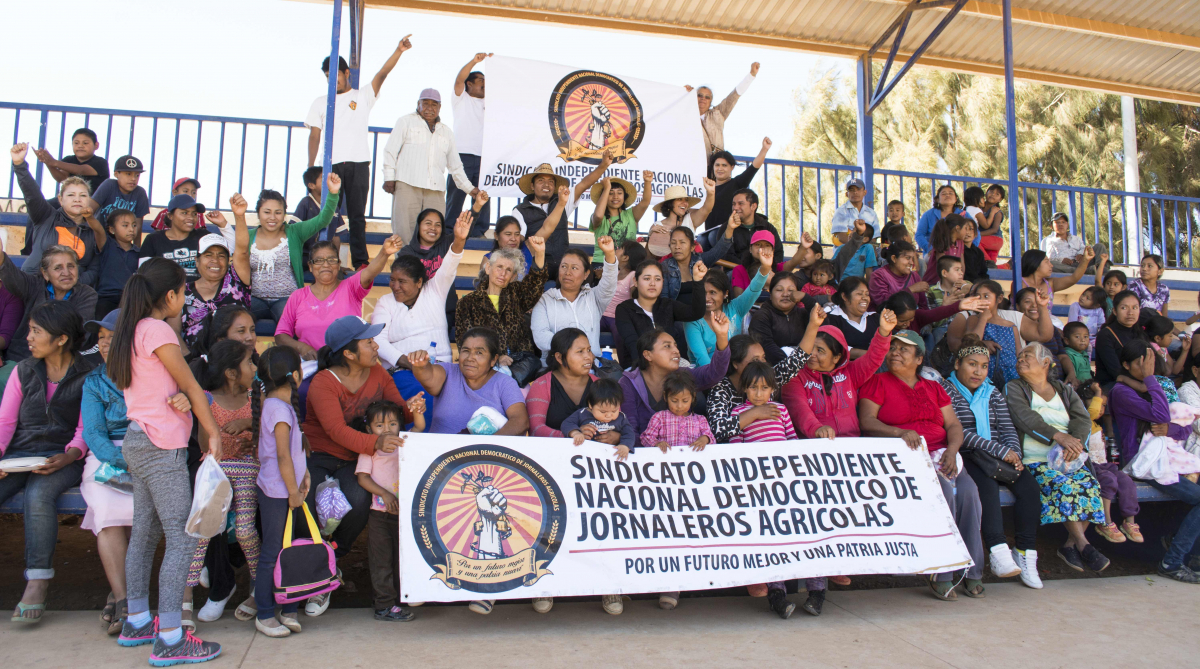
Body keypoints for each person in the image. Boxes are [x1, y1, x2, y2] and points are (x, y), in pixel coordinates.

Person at [109, 259, 223, 663]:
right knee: (183, 537)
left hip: (138, 441)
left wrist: (181, 400)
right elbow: (190, 383)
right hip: (160, 446)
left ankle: (138, 620)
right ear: (170, 296)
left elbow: (169, 386)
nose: (185, 297)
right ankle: (172, 636)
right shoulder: (158, 329)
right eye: (183, 291)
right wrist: (212, 430)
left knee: (145, 531)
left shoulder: (131, 329)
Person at [858, 329, 986, 600]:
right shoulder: (878, 382)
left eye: (904, 349)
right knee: (941, 494)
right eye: (893, 347)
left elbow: (953, 425)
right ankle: (941, 571)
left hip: (942, 454)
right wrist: (899, 433)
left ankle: (971, 570)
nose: (895, 352)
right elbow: (867, 421)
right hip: (903, 456)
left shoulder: (933, 387)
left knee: (969, 494)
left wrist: (952, 450)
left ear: (919, 359)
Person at [301, 315, 416, 616]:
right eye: (368, 342)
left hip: (356, 459)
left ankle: (333, 560)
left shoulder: (377, 371)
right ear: (349, 353)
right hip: (322, 456)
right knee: (308, 504)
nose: (376, 345)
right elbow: (335, 431)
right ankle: (314, 571)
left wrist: (411, 409)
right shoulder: (323, 383)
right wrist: (376, 443)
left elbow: (396, 409)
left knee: (359, 502)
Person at [0, 301, 95, 623]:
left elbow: (85, 429)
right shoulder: (23, 371)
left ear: (61, 338)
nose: (28, 337)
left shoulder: (88, 375)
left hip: (64, 456)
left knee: (38, 495)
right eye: (30, 330)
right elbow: (5, 424)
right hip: (19, 455)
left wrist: (69, 455)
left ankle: (37, 583)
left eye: (36, 331)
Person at [1007, 342, 1109, 580]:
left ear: (1045, 363)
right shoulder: (1015, 388)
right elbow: (1025, 418)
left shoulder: (1063, 390)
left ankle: (1069, 546)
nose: (1021, 359)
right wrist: (1057, 436)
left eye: (1027, 356)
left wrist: (1074, 443)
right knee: (1064, 486)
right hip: (1035, 459)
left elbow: (1082, 419)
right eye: (1019, 356)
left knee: (1090, 486)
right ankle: (1083, 544)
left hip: (1068, 457)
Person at [307, 37, 411, 268]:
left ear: (346, 73)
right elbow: (314, 135)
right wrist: (311, 167)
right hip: (332, 166)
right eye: (327, 77)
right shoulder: (320, 102)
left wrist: (398, 50)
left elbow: (382, 74)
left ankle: (361, 261)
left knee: (357, 217)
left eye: (335, 75)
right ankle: (323, 258)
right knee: (328, 215)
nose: (332, 80)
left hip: (359, 164)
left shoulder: (361, 96)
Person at [945, 335, 1039, 588]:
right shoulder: (947, 390)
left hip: (998, 455)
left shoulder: (993, 392)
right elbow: (961, 433)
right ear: (957, 365)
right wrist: (1000, 451)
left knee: (1030, 488)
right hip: (968, 454)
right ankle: (998, 551)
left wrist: (1015, 454)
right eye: (972, 364)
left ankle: (1026, 553)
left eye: (984, 366)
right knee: (985, 486)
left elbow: (1008, 427)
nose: (978, 371)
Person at [1108, 341, 1200, 582]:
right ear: (1126, 365)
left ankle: (1186, 549)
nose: (1147, 366)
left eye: (1149, 361)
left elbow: (1185, 429)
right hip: (1144, 464)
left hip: (1169, 458)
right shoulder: (1121, 392)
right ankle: (1172, 561)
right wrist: (1150, 380)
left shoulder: (1154, 387)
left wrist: (1169, 428)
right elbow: (1159, 414)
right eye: (1140, 362)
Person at [183, 340, 261, 625]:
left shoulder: (255, 396)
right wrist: (211, 425)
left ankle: (260, 585)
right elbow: (205, 446)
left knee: (244, 530)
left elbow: (267, 433)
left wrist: (249, 426)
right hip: (216, 470)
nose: (254, 368)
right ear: (231, 373)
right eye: (249, 363)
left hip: (249, 469)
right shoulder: (206, 399)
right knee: (202, 531)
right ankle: (185, 599)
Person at [373, 213, 469, 415]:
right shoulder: (385, 302)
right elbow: (378, 341)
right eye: (392, 280)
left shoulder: (434, 290)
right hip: (402, 372)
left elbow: (449, 265)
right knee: (418, 399)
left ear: (419, 283)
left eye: (402, 282)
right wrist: (408, 362)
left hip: (439, 368)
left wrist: (459, 240)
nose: (395, 286)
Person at [79, 309, 133, 634]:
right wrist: (118, 459)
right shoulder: (94, 382)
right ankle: (126, 600)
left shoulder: (148, 374)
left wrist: (137, 456)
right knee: (110, 511)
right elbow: (94, 432)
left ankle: (117, 594)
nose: (103, 345)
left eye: (111, 339)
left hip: (146, 452)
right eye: (100, 339)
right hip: (105, 458)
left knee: (140, 510)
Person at [249, 345, 309, 636]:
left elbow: (294, 452)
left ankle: (288, 608)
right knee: (273, 551)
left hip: (287, 489)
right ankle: (264, 613)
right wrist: (293, 493)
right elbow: (283, 456)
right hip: (278, 492)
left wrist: (305, 474)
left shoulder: (278, 405)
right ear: (296, 374)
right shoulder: (278, 409)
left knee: (289, 549)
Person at [275, 235, 402, 362]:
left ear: (339, 264)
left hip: (347, 365)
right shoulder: (298, 296)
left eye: (331, 259)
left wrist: (384, 253)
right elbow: (281, 335)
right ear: (310, 266)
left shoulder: (350, 287)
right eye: (319, 260)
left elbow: (369, 273)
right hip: (309, 364)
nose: (326, 265)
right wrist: (302, 348)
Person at [356, 399, 425, 622]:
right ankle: (384, 605)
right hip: (380, 515)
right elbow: (363, 477)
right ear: (369, 430)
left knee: (404, 559)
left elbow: (420, 427)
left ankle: (406, 597)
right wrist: (384, 494)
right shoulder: (370, 450)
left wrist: (417, 412)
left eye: (393, 424)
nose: (387, 430)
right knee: (381, 561)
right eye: (379, 426)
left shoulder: (406, 443)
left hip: (406, 515)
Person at [241, 174, 344, 325]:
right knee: (235, 320)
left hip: (287, 299)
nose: (273, 217)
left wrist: (333, 193)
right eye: (267, 212)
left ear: (284, 214)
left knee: (292, 325)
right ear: (258, 213)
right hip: (255, 299)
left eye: (278, 212)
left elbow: (323, 219)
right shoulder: (248, 236)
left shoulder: (295, 232)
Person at [783, 309, 897, 440]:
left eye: (820, 350)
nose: (811, 354)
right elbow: (799, 410)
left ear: (836, 358)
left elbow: (874, 358)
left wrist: (883, 332)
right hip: (815, 445)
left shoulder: (850, 372)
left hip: (851, 444)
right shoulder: (795, 377)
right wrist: (817, 429)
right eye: (810, 348)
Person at [382, 88, 477, 243]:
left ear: (439, 108)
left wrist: (469, 189)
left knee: (434, 233)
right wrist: (389, 177)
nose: (429, 108)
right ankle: (404, 266)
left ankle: (429, 267)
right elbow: (390, 151)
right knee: (404, 232)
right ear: (418, 104)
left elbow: (455, 166)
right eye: (425, 104)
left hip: (435, 190)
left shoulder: (446, 132)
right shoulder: (405, 122)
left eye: (434, 105)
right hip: (407, 184)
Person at [708, 315, 818, 444]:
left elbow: (797, 359)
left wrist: (814, 324)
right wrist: (754, 413)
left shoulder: (767, 376)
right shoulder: (721, 388)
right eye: (755, 360)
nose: (762, 364)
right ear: (735, 363)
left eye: (763, 357)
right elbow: (716, 430)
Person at [454, 236, 548, 386]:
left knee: (534, 362)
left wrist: (540, 253)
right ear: (488, 268)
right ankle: (503, 381)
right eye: (499, 267)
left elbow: (535, 284)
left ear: (513, 276)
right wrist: (496, 359)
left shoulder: (516, 293)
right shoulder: (468, 303)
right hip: (487, 361)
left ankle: (502, 381)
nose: (503, 273)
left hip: (520, 361)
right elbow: (464, 340)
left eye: (508, 270)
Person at [620, 318, 731, 440]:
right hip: (645, 456)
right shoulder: (628, 384)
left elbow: (714, 373)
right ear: (647, 355)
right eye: (667, 346)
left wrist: (721, 335)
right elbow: (630, 431)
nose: (676, 351)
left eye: (675, 346)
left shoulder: (682, 376)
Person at [10, 143, 98, 284]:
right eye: (71, 195)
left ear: (89, 200)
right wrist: (19, 164)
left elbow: (94, 269)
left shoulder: (93, 230)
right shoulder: (45, 216)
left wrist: (69, 285)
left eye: (82, 195)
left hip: (73, 293)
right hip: (35, 287)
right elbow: (32, 194)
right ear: (60, 199)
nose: (77, 199)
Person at [0, 243, 97, 369]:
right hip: (22, 359)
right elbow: (13, 277)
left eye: (71, 266)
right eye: (58, 268)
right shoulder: (34, 286)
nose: (66, 272)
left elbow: (77, 332)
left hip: (62, 365)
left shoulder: (87, 295)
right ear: (45, 273)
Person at [948, 280, 1053, 387]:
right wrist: (983, 318)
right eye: (978, 296)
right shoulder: (973, 319)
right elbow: (971, 342)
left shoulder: (1011, 325)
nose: (981, 300)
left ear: (999, 299)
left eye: (986, 296)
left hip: (1011, 374)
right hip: (985, 374)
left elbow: (1019, 352)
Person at [532, 240, 618, 367]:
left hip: (590, 368)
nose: (567, 272)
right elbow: (541, 337)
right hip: (556, 368)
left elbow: (609, 283)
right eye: (564, 266)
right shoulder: (545, 300)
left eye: (574, 268)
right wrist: (575, 351)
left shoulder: (594, 297)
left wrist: (610, 253)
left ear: (586, 274)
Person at [527, 328, 620, 447]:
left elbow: (619, 422)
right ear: (559, 358)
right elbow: (535, 429)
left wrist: (617, 436)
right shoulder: (542, 385)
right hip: (552, 456)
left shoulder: (600, 385)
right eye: (580, 351)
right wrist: (571, 436)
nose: (588, 357)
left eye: (589, 350)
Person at [512, 159, 608, 273]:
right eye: (541, 180)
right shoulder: (520, 210)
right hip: (536, 270)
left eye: (551, 181)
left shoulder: (562, 201)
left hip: (562, 269)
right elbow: (518, 240)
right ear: (532, 186)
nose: (546, 184)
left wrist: (604, 164)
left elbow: (584, 184)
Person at [1076, 382, 1142, 544]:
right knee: (1108, 480)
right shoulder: (1080, 419)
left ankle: (1129, 522)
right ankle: (1104, 521)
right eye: (1098, 402)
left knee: (1126, 481)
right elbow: (1090, 413)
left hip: (1104, 465)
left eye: (1104, 405)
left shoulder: (1097, 425)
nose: (1101, 409)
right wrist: (1098, 390)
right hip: (1088, 467)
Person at [181, 203, 252, 350]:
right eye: (208, 255)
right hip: (195, 363)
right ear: (197, 261)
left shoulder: (236, 280)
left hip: (236, 358)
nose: (215, 260)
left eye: (221, 256)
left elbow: (243, 251)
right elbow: (174, 332)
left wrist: (239, 216)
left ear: (228, 261)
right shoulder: (182, 292)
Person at [685, 247, 770, 365]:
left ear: (725, 293)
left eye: (712, 293)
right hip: (706, 375)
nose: (706, 298)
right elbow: (702, 360)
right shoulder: (692, 321)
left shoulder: (736, 308)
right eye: (703, 293)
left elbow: (754, 289)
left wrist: (765, 268)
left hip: (736, 371)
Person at [615, 260, 708, 366]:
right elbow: (632, 343)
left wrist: (698, 281)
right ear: (635, 281)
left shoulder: (668, 305)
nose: (652, 283)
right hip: (638, 367)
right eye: (647, 278)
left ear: (663, 282)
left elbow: (696, 313)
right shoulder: (624, 309)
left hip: (669, 364)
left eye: (657, 279)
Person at [445, 52, 491, 233]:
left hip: (484, 157)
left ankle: (478, 232)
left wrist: (496, 67)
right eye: (480, 79)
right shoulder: (460, 98)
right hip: (461, 155)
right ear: (469, 84)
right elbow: (458, 80)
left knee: (482, 196)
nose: (484, 83)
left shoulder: (490, 102)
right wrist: (474, 62)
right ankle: (449, 231)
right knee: (456, 196)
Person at [701, 139, 771, 237]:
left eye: (724, 165)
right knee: (700, 241)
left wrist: (764, 149)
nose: (720, 168)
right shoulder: (708, 187)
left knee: (712, 237)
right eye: (717, 165)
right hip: (708, 233)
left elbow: (754, 167)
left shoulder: (736, 183)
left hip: (728, 233)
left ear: (732, 167)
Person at [139, 193, 214, 280]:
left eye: (194, 214)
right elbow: (143, 274)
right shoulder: (153, 239)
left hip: (197, 293)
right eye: (184, 213)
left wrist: (223, 225)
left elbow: (230, 250)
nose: (191, 218)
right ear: (170, 216)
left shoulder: (203, 236)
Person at [749, 272, 816, 365]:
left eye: (791, 290)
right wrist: (793, 365)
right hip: (774, 370)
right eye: (779, 290)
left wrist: (806, 298)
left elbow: (823, 328)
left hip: (803, 368)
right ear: (771, 294)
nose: (785, 294)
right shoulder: (762, 316)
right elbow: (767, 347)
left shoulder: (803, 313)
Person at [84, 207, 140, 318]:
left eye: (134, 225)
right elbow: (98, 229)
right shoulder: (107, 246)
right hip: (106, 298)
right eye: (125, 225)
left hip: (131, 299)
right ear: (112, 230)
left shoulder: (139, 253)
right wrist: (89, 217)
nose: (131, 229)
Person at [693, 62, 758, 156]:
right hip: (692, 163)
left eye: (707, 97)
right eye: (699, 95)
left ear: (711, 102)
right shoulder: (685, 116)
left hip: (715, 166)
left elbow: (734, 96)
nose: (703, 98)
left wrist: (751, 75)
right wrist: (684, 93)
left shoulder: (718, 113)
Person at [590, 174, 653, 265]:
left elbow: (645, 201)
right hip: (602, 265)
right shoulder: (597, 216)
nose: (615, 196)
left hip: (628, 264)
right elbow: (598, 216)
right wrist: (607, 188)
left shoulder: (631, 214)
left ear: (624, 196)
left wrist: (647, 182)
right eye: (610, 193)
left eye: (619, 193)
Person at [601, 241, 648, 361]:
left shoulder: (632, 276)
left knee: (621, 336)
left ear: (626, 257)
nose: (616, 249)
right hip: (601, 315)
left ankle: (626, 366)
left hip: (617, 318)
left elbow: (635, 297)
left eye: (620, 248)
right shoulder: (614, 272)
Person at [564, 379, 637, 454]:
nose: (609, 415)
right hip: (585, 453)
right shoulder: (582, 413)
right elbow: (567, 423)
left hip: (609, 455)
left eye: (614, 411)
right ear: (591, 405)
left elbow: (629, 433)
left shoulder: (621, 418)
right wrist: (576, 433)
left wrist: (625, 445)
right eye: (603, 412)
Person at [666, 224, 736, 301]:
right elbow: (664, 300)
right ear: (669, 246)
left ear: (692, 247)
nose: (677, 246)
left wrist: (730, 228)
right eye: (673, 243)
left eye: (682, 242)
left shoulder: (700, 260)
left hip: (701, 311)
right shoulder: (664, 267)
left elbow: (720, 249)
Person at [646, 181, 716, 257]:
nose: (685, 203)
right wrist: (650, 237)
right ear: (670, 204)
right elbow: (648, 257)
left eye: (686, 200)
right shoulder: (657, 225)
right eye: (679, 199)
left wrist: (711, 193)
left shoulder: (690, 220)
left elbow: (706, 209)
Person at [89, 155, 150, 240]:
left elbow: (138, 227)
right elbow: (88, 211)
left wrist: (137, 250)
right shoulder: (109, 185)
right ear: (116, 174)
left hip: (121, 242)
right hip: (98, 238)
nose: (133, 178)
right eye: (128, 174)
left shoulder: (140, 193)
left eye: (137, 175)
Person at [1094, 290, 1147, 389]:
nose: (1130, 313)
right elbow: (1116, 372)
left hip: (1139, 382)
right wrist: (1141, 386)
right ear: (1114, 311)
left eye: (1134, 308)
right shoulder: (1106, 335)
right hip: (1112, 385)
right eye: (1124, 308)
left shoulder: (1139, 332)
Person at [32, 127, 108, 194]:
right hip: (69, 200)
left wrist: (54, 162)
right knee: (44, 207)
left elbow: (81, 170)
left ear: (96, 145)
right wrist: (48, 163)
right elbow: (62, 178)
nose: (80, 146)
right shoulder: (68, 160)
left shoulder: (101, 162)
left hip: (93, 201)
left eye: (85, 143)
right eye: (76, 143)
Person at [295, 166, 346, 264]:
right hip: (305, 257)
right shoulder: (305, 203)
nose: (328, 182)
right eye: (324, 179)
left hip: (326, 259)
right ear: (311, 185)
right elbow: (294, 233)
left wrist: (335, 261)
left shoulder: (333, 206)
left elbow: (336, 237)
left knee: (337, 275)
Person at [1018, 247, 1094, 302]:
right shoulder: (1020, 283)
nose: (1051, 265)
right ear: (1035, 264)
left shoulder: (1050, 283)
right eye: (1047, 262)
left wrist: (1085, 260)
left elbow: (1074, 278)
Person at [868, 240, 926, 311]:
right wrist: (911, 290)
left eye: (912, 258)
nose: (911, 262)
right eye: (907, 258)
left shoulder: (914, 276)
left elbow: (923, 306)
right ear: (894, 258)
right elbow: (883, 302)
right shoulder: (878, 276)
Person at [1039, 212, 1103, 274]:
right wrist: (1061, 260)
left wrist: (1080, 254)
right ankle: (1083, 271)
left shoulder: (1076, 238)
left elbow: (1083, 248)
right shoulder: (1047, 240)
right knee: (1051, 264)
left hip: (1081, 263)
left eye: (1063, 222)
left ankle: (1102, 270)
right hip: (1064, 266)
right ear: (1051, 226)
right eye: (1057, 222)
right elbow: (1045, 259)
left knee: (1099, 247)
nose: (1061, 224)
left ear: (1067, 225)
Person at [921, 213, 969, 284]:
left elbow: (962, 264)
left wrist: (960, 279)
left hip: (952, 283)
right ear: (958, 228)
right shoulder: (941, 242)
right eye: (966, 228)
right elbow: (943, 267)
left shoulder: (960, 243)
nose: (967, 232)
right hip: (934, 284)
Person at [830, 177, 878, 247]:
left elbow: (874, 238)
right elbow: (842, 237)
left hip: (865, 252)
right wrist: (857, 247)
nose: (855, 192)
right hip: (846, 252)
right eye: (851, 190)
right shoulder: (841, 211)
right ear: (847, 194)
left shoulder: (871, 213)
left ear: (864, 192)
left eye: (858, 189)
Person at [915, 185, 964, 253]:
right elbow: (919, 235)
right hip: (933, 253)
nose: (947, 195)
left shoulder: (964, 215)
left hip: (959, 253)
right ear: (937, 199)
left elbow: (975, 233)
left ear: (956, 199)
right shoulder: (928, 214)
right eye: (943, 194)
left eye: (951, 193)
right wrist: (930, 249)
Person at [728, 227, 773, 298]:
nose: (762, 249)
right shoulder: (739, 270)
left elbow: (793, 262)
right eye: (758, 245)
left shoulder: (778, 267)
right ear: (750, 249)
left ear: (772, 250)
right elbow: (739, 300)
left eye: (767, 245)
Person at [1129, 254, 1171, 318]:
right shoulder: (1134, 286)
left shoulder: (1164, 289)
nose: (1144, 269)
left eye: (1150, 266)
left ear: (1160, 271)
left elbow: (1164, 316)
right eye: (1142, 266)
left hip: (1156, 324)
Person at [1068, 285, 1107, 349]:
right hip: (1078, 337)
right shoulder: (1076, 306)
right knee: (1086, 346)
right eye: (1083, 294)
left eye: (1087, 298)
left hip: (1092, 338)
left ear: (1096, 305)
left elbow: (1102, 326)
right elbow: (1072, 324)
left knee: (1103, 344)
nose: (1083, 298)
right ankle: (1085, 358)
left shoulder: (1099, 310)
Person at [977, 184, 1006, 264]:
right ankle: (1007, 266)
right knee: (991, 268)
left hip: (995, 239)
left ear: (1000, 199)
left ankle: (988, 261)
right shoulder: (978, 208)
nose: (993, 194)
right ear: (986, 193)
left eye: (997, 194)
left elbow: (994, 230)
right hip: (985, 240)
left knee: (974, 240)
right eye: (991, 191)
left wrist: (977, 234)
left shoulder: (997, 212)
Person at [1062, 321, 1094, 386]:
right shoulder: (1068, 355)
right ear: (1067, 341)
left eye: (1085, 336)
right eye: (1077, 337)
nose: (1083, 340)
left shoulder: (1084, 354)